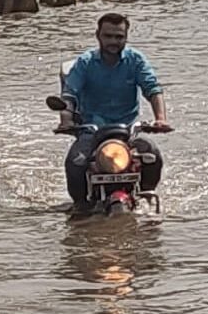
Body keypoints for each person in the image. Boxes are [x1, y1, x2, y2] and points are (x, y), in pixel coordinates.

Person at [59, 13, 171, 210]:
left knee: (153, 155)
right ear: (98, 36)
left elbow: (152, 89)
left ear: (126, 37)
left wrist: (160, 119)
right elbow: (70, 94)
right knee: (75, 163)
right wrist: (66, 120)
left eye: (119, 37)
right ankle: (80, 207)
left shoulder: (135, 60)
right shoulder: (85, 63)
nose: (113, 41)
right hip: (91, 131)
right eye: (108, 36)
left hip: (127, 131)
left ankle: (147, 197)